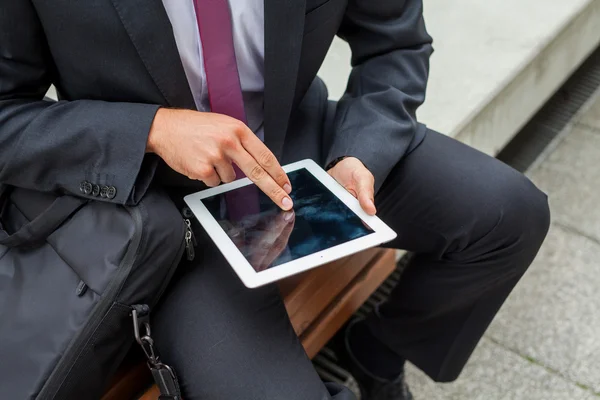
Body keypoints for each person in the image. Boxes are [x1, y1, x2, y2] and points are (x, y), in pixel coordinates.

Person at [0, 0, 550, 399]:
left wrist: (359, 155)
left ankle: (377, 350)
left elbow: (397, 41)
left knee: (510, 215)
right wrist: (150, 129)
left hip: (300, 145)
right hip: (166, 207)